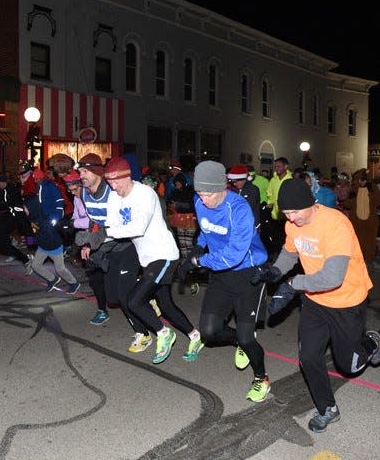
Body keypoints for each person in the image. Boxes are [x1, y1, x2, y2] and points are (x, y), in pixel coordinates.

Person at [260, 178, 380, 432]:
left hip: (346, 300)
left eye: (296, 212)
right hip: (315, 301)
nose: (292, 218)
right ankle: (327, 408)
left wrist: (293, 284)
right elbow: (290, 252)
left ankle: (370, 342)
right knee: (308, 357)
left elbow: (333, 277)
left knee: (348, 365)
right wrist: (275, 271)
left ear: (311, 204)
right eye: (286, 213)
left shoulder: (336, 224)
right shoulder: (293, 224)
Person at [177, 160, 271, 401]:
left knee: (248, 336)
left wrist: (199, 263)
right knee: (209, 332)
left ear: (223, 188)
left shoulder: (239, 210)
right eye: (199, 193)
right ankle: (238, 341)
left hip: (248, 273)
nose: (203, 200)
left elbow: (233, 255)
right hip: (220, 274)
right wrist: (197, 249)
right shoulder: (200, 201)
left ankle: (262, 377)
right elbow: (206, 231)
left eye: (208, 194)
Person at [100, 157, 202, 365]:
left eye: (116, 181)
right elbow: (110, 226)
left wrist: (104, 233)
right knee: (166, 305)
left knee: (134, 300)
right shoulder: (113, 197)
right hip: (146, 257)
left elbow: (136, 228)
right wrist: (96, 246)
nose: (113, 186)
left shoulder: (145, 194)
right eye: (109, 182)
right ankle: (195, 336)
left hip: (164, 254)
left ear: (127, 176)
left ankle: (163, 334)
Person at [74, 153, 149, 345]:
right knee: (113, 297)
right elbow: (93, 220)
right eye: (80, 171)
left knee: (124, 296)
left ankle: (143, 334)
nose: (81, 175)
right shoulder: (83, 193)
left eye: (85, 171)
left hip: (125, 245)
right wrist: (87, 243)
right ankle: (145, 296)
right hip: (106, 246)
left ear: (98, 172)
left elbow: (122, 223)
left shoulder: (112, 191)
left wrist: (95, 242)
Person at [25, 168, 80, 294]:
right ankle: (53, 279)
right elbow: (34, 231)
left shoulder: (49, 186)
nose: (36, 180)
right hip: (44, 244)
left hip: (53, 244)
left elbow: (59, 202)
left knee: (60, 268)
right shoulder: (33, 217)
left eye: (37, 178)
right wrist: (34, 240)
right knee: (35, 265)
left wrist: (55, 218)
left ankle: (74, 283)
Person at [342, 169, 380, 265]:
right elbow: (347, 204)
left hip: (370, 221)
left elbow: (378, 202)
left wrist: (369, 192)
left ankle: (369, 258)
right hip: (356, 221)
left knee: (370, 240)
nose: (360, 182)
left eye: (362, 179)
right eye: (357, 179)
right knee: (357, 240)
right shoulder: (354, 189)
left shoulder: (373, 187)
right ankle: (358, 257)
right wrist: (353, 196)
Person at [265, 157, 291, 254]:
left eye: (279, 166)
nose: (277, 168)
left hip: (287, 216)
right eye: (275, 166)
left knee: (287, 238)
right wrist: (269, 203)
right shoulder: (273, 180)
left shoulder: (291, 179)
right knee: (276, 238)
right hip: (275, 215)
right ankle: (277, 256)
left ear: (286, 166)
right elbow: (269, 193)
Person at [227, 164, 260, 229]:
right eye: (233, 182)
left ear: (244, 179)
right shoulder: (235, 189)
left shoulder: (253, 189)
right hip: (237, 225)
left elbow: (247, 207)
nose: (234, 184)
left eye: (236, 181)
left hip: (250, 226)